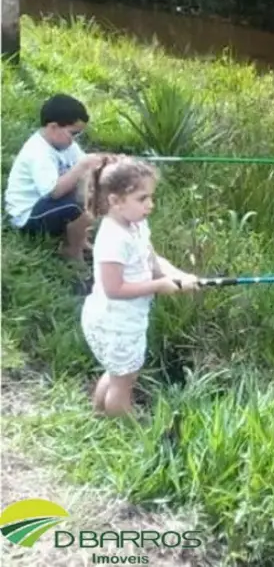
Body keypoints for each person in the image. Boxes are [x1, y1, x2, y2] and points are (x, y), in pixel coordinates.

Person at [80, 156, 199, 418]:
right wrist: (159, 285)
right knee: (124, 382)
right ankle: (126, 427)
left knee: (117, 374)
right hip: (115, 323)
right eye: (142, 198)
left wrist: (180, 276)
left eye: (151, 197)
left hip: (125, 320)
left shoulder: (136, 225)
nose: (150, 205)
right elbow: (115, 288)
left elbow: (153, 260)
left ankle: (100, 414)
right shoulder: (113, 238)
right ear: (115, 201)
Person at [4, 93, 109, 261]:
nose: (75, 140)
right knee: (81, 205)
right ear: (53, 127)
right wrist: (82, 166)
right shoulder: (38, 152)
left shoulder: (66, 144)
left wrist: (103, 162)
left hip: (47, 205)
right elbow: (53, 192)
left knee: (92, 193)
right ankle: (71, 251)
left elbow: (84, 166)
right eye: (73, 133)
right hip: (28, 215)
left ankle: (79, 241)